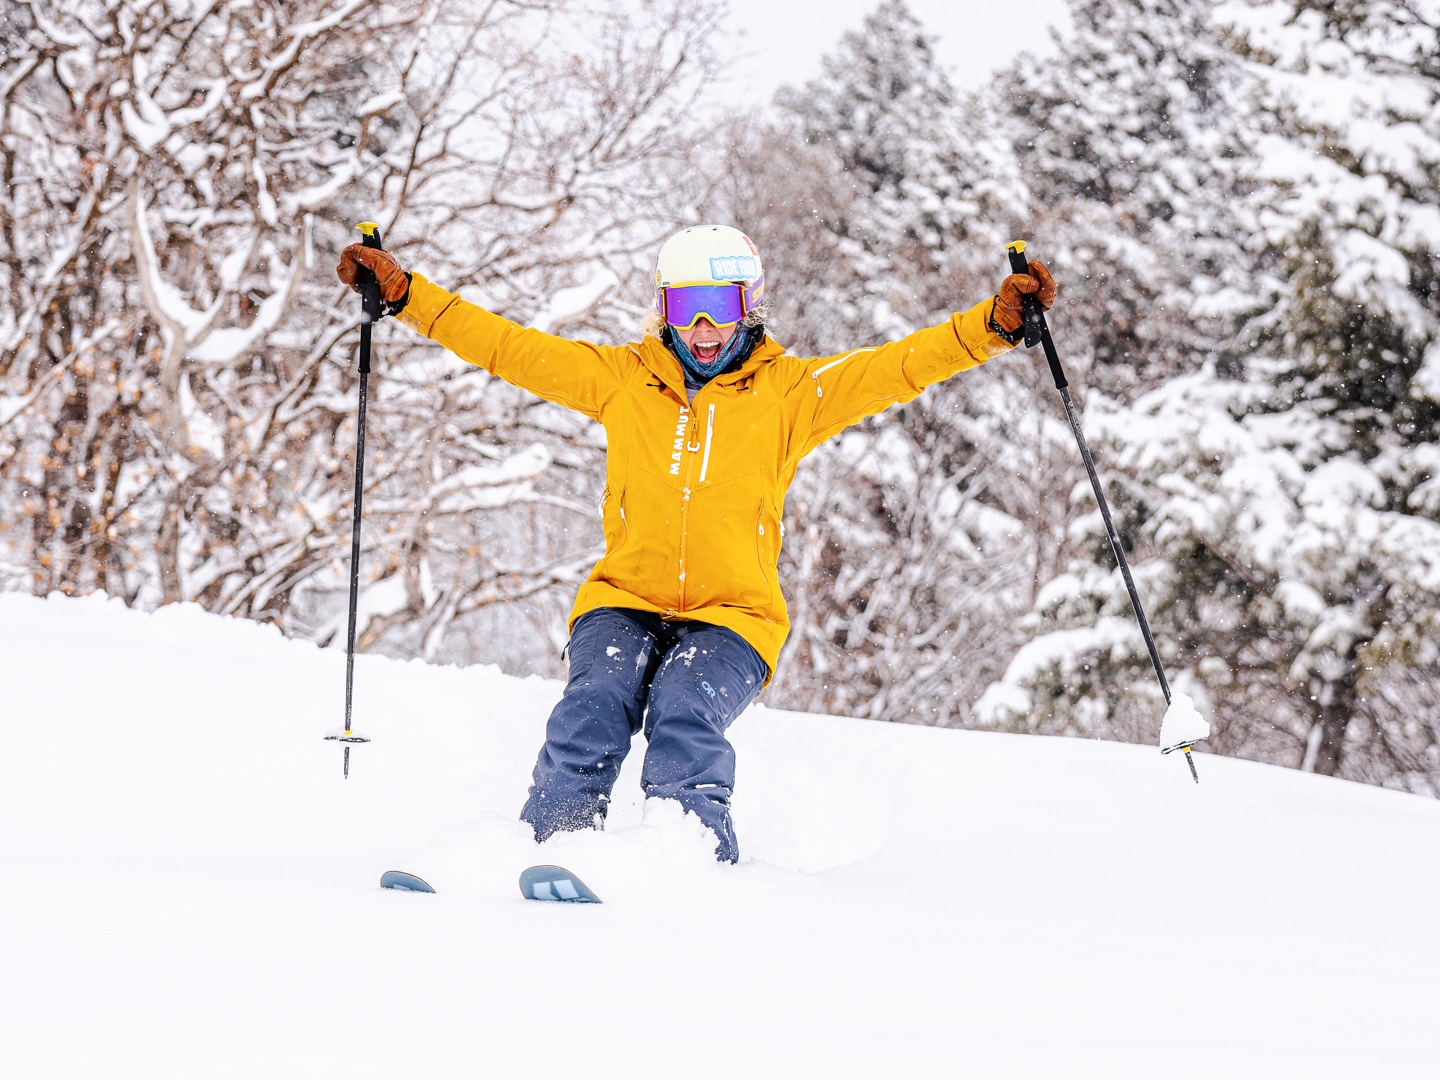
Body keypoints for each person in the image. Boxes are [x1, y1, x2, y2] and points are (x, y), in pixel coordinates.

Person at [337, 225, 1056, 862]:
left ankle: (689, 859)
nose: (705, 327)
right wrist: (409, 299)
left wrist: (990, 326)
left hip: (733, 615)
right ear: (663, 311)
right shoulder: (622, 380)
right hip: (624, 599)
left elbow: (899, 365)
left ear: (752, 307)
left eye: (723, 306)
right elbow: (508, 348)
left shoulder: (792, 394)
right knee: (593, 704)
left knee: (684, 709)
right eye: (685, 308)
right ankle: (551, 846)